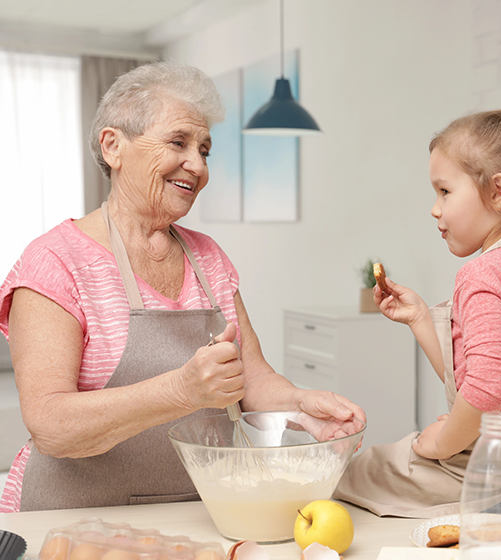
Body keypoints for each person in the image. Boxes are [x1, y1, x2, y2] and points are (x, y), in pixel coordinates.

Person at [0, 60, 365, 513]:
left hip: (201, 512)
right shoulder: (55, 262)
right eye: (179, 142)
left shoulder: (209, 257)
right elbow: (50, 424)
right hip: (75, 519)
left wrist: (300, 407)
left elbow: (251, 377)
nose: (197, 165)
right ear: (113, 147)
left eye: (205, 150)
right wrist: (182, 390)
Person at [333, 96, 501, 518]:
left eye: (444, 191)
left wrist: (441, 443)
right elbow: (477, 375)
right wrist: (420, 317)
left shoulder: (481, 275)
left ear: (498, 191)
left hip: (498, 466)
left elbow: (489, 391)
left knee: (354, 472)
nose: (434, 209)